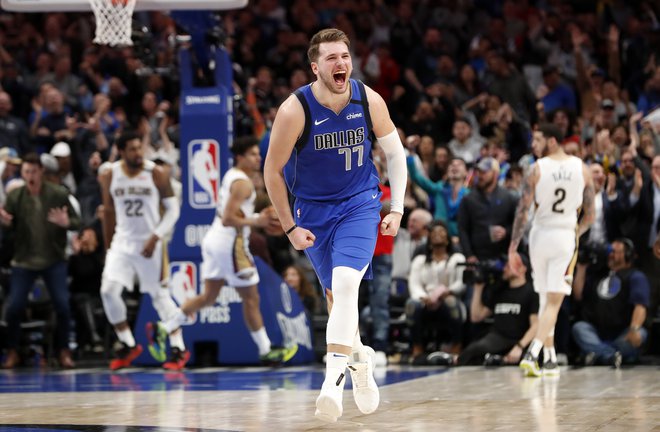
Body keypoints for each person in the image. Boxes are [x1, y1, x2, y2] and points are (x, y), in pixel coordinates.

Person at [263, 28, 407, 422]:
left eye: (344, 55)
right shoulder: (295, 110)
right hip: (314, 213)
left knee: (346, 286)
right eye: (331, 58)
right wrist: (290, 227)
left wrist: (396, 207)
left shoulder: (367, 98)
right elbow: (271, 172)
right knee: (337, 300)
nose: (340, 63)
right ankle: (360, 359)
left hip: (361, 204)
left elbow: (395, 154)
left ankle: (331, 385)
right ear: (315, 67)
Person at [148, 136, 298, 367]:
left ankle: (163, 327)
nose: (258, 158)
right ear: (240, 157)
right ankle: (266, 350)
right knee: (251, 297)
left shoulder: (232, 175)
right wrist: (258, 220)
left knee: (209, 297)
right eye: (253, 154)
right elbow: (229, 219)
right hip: (230, 243)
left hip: (215, 240)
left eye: (258, 154)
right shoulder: (243, 183)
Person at [508, 123, 596, 377]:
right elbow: (590, 216)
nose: (533, 145)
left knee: (546, 299)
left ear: (553, 141)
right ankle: (533, 352)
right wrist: (574, 234)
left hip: (539, 235)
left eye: (538, 140)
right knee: (554, 301)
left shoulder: (536, 169)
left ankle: (550, 358)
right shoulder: (583, 169)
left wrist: (513, 247)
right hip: (563, 235)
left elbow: (522, 212)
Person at [98, 130, 186, 371]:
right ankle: (127, 343)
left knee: (159, 297)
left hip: (151, 243)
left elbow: (173, 210)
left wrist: (156, 236)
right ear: (122, 152)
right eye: (133, 149)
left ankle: (178, 348)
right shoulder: (109, 175)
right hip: (122, 243)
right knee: (108, 291)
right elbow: (108, 212)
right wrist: (108, 248)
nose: (138, 153)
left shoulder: (155, 173)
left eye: (140, 148)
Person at [0, 152, 80, 369]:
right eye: (26, 171)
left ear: (42, 172)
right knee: (14, 307)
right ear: (22, 173)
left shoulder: (57, 194)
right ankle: (13, 351)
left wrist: (66, 222)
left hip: (53, 259)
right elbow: (7, 224)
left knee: (63, 306)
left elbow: (76, 222)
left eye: (34, 171)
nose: (30, 175)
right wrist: (5, 222)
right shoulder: (15, 196)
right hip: (24, 260)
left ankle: (64, 351)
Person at [572, 238, 650, 367]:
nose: (610, 254)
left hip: (623, 334)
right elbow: (578, 295)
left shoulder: (636, 276)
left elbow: (640, 306)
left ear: (628, 255)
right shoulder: (598, 274)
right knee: (579, 328)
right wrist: (581, 267)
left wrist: (634, 328)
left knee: (641, 334)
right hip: (597, 333)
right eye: (610, 251)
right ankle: (610, 356)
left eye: (615, 251)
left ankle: (596, 353)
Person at [457, 254, 538, 366]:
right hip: (498, 337)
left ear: (522, 268)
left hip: (520, 339)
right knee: (474, 350)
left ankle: (500, 360)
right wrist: (478, 288)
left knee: (534, 355)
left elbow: (536, 326)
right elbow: (476, 317)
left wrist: (519, 346)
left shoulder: (532, 292)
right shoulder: (500, 290)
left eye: (509, 265)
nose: (504, 268)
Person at [405, 221, 466, 363]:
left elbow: (461, 283)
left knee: (451, 303)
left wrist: (449, 291)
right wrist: (422, 297)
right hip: (425, 300)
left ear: (448, 238)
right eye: (434, 233)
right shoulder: (420, 260)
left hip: (448, 297)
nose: (437, 235)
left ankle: (457, 344)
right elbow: (414, 283)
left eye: (441, 232)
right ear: (429, 239)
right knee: (411, 304)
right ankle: (417, 346)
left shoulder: (457, 258)